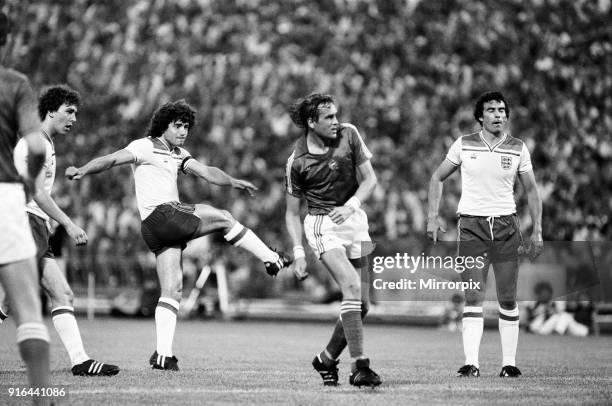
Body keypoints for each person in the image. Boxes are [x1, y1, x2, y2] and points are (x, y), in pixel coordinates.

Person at [65, 100, 291, 370]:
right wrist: (82, 170)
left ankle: (162, 355)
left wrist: (231, 181)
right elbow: (112, 159)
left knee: (173, 289)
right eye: (178, 126)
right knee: (223, 217)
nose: (183, 131)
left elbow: (206, 172)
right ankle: (270, 258)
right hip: (163, 215)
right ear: (164, 126)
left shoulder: (179, 154)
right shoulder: (144, 146)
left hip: (154, 230)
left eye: (186, 126)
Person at [427, 91, 543, 378]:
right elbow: (437, 177)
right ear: (480, 116)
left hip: (506, 227)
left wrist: (537, 230)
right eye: (491, 110)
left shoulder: (518, 148)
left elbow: (531, 191)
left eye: (502, 110)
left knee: (507, 298)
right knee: (473, 296)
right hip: (472, 227)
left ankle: (509, 364)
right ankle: (471, 364)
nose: (498, 115)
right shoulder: (464, 144)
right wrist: (432, 217)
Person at [5, 84, 120, 376]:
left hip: (27, 223)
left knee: (8, 298)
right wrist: (68, 223)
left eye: (76, 113)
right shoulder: (37, 143)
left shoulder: (42, 142)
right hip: (24, 221)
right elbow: (36, 192)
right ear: (51, 111)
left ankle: (81, 360)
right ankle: (80, 360)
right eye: (69, 111)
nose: (74, 119)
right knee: (61, 293)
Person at [285, 93, 381, 387]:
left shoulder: (350, 134)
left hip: (355, 220)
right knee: (350, 287)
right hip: (323, 225)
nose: (336, 122)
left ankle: (326, 358)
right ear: (311, 122)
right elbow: (291, 213)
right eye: (329, 118)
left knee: (362, 304)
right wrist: (299, 253)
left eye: (336, 115)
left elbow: (370, 180)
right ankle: (360, 366)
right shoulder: (297, 161)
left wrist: (351, 206)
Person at [0, 10, 51, 402]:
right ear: (6, 41)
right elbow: (36, 146)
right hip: (5, 197)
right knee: (27, 308)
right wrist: (32, 181)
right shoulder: (14, 83)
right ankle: (40, 393)